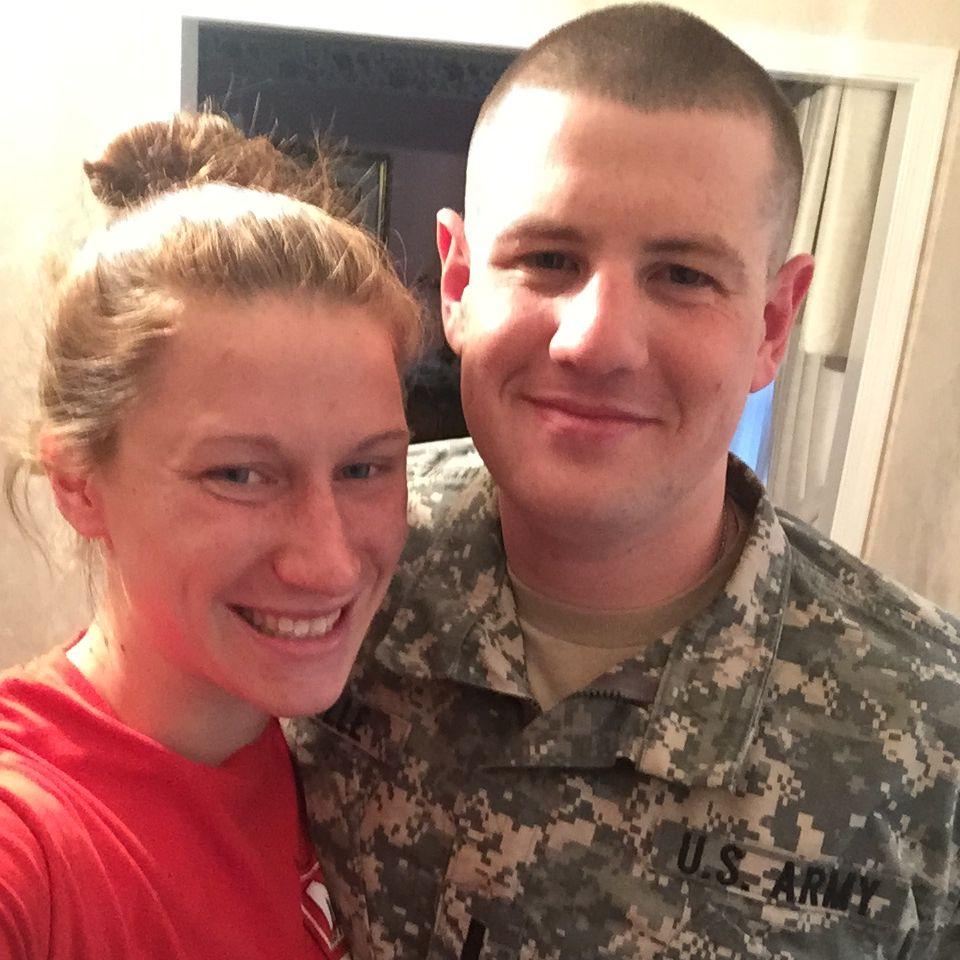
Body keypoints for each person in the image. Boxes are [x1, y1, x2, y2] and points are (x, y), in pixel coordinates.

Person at [289, 5, 960, 959]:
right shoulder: (316, 567)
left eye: (683, 275)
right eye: (548, 259)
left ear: (772, 324)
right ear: (459, 283)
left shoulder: (932, 733)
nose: (597, 341)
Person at [0, 112, 421, 959]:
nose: (328, 563)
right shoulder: (31, 836)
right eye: (239, 475)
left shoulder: (324, 764)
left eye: (364, 468)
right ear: (80, 484)